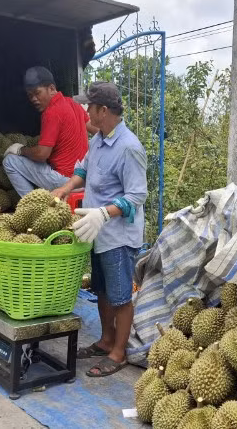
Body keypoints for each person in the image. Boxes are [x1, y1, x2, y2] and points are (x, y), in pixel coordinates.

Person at [52, 82, 147, 377]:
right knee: (102, 290)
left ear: (103, 110)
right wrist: (65, 188)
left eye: (89, 107)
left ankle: (119, 353)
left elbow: (137, 196)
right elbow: (84, 169)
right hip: (98, 233)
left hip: (118, 236)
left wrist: (104, 213)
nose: (86, 112)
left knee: (120, 296)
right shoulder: (98, 139)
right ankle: (106, 341)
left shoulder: (129, 147)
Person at [2, 66, 97, 196]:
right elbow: (95, 129)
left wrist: (20, 150)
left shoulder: (51, 112)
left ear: (51, 89)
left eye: (37, 93)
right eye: (30, 95)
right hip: (83, 179)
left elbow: (42, 154)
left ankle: (33, 205)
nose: (33, 99)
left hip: (65, 181)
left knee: (10, 161)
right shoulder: (72, 103)